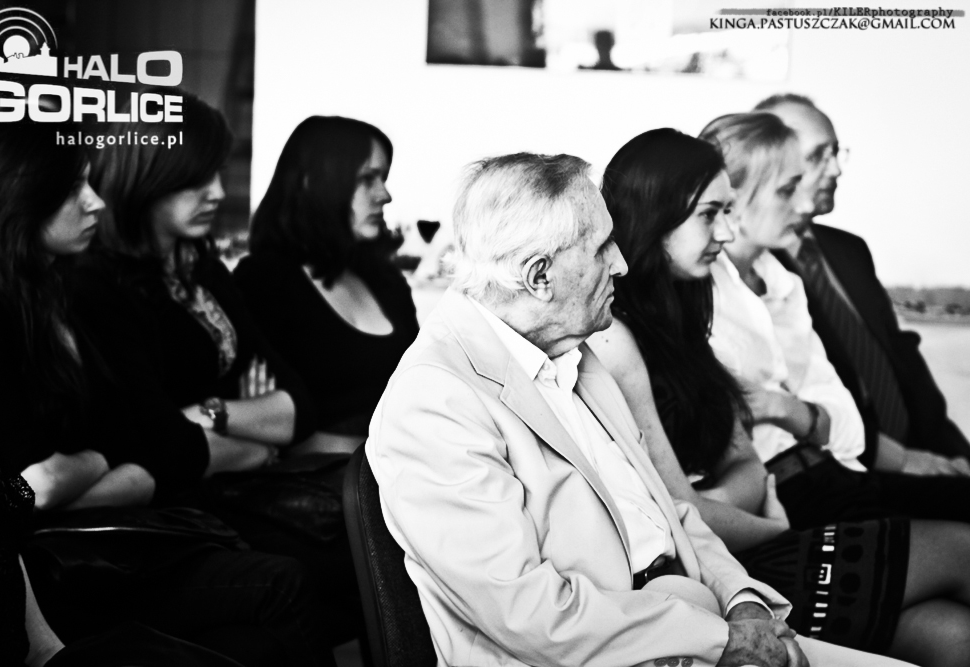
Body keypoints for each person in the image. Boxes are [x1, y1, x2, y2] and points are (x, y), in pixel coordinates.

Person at [366, 151, 913, 667]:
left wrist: (742, 599)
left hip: (683, 619)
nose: (622, 264)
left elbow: (665, 510)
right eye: (602, 247)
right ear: (539, 276)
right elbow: (530, 615)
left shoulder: (573, 352)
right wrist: (723, 638)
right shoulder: (434, 402)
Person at [590, 127, 970, 666]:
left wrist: (729, 496)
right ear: (657, 215)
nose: (727, 230)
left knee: (954, 634)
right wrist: (769, 518)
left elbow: (744, 462)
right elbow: (681, 513)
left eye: (728, 211)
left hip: (754, 537)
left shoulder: (684, 311)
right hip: (736, 567)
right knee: (964, 549)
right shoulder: (615, 336)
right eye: (710, 214)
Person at [0, 119, 332, 667]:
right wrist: (113, 458)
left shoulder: (63, 293)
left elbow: (153, 440)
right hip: (59, 561)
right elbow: (36, 487)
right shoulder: (1, 316)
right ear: (21, 194)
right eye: (73, 188)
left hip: (106, 536)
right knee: (283, 582)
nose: (95, 202)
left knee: (265, 625)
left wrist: (110, 457)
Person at [80, 89, 357, 651]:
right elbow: (157, 441)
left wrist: (210, 414)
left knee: (362, 551)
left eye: (217, 173)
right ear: (145, 179)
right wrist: (252, 435)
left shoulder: (199, 265)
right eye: (195, 179)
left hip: (223, 489)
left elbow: (297, 405)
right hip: (166, 512)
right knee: (318, 571)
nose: (218, 192)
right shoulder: (99, 282)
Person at [700, 112, 970, 531]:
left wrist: (786, 408)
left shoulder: (785, 283)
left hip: (833, 475)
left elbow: (847, 429)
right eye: (788, 189)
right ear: (730, 198)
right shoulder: (698, 296)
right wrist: (811, 419)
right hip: (783, 496)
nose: (807, 205)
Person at [755, 93, 970, 466]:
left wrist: (954, 452)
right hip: (848, 463)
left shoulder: (849, 249)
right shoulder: (755, 271)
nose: (836, 169)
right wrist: (901, 461)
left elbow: (900, 356)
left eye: (837, 152)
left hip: (921, 450)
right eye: (818, 155)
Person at [235, 116, 418, 455]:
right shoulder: (265, 281)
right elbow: (264, 421)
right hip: (316, 479)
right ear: (313, 182)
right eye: (367, 179)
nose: (385, 194)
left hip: (402, 470)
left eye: (383, 178)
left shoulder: (385, 279)